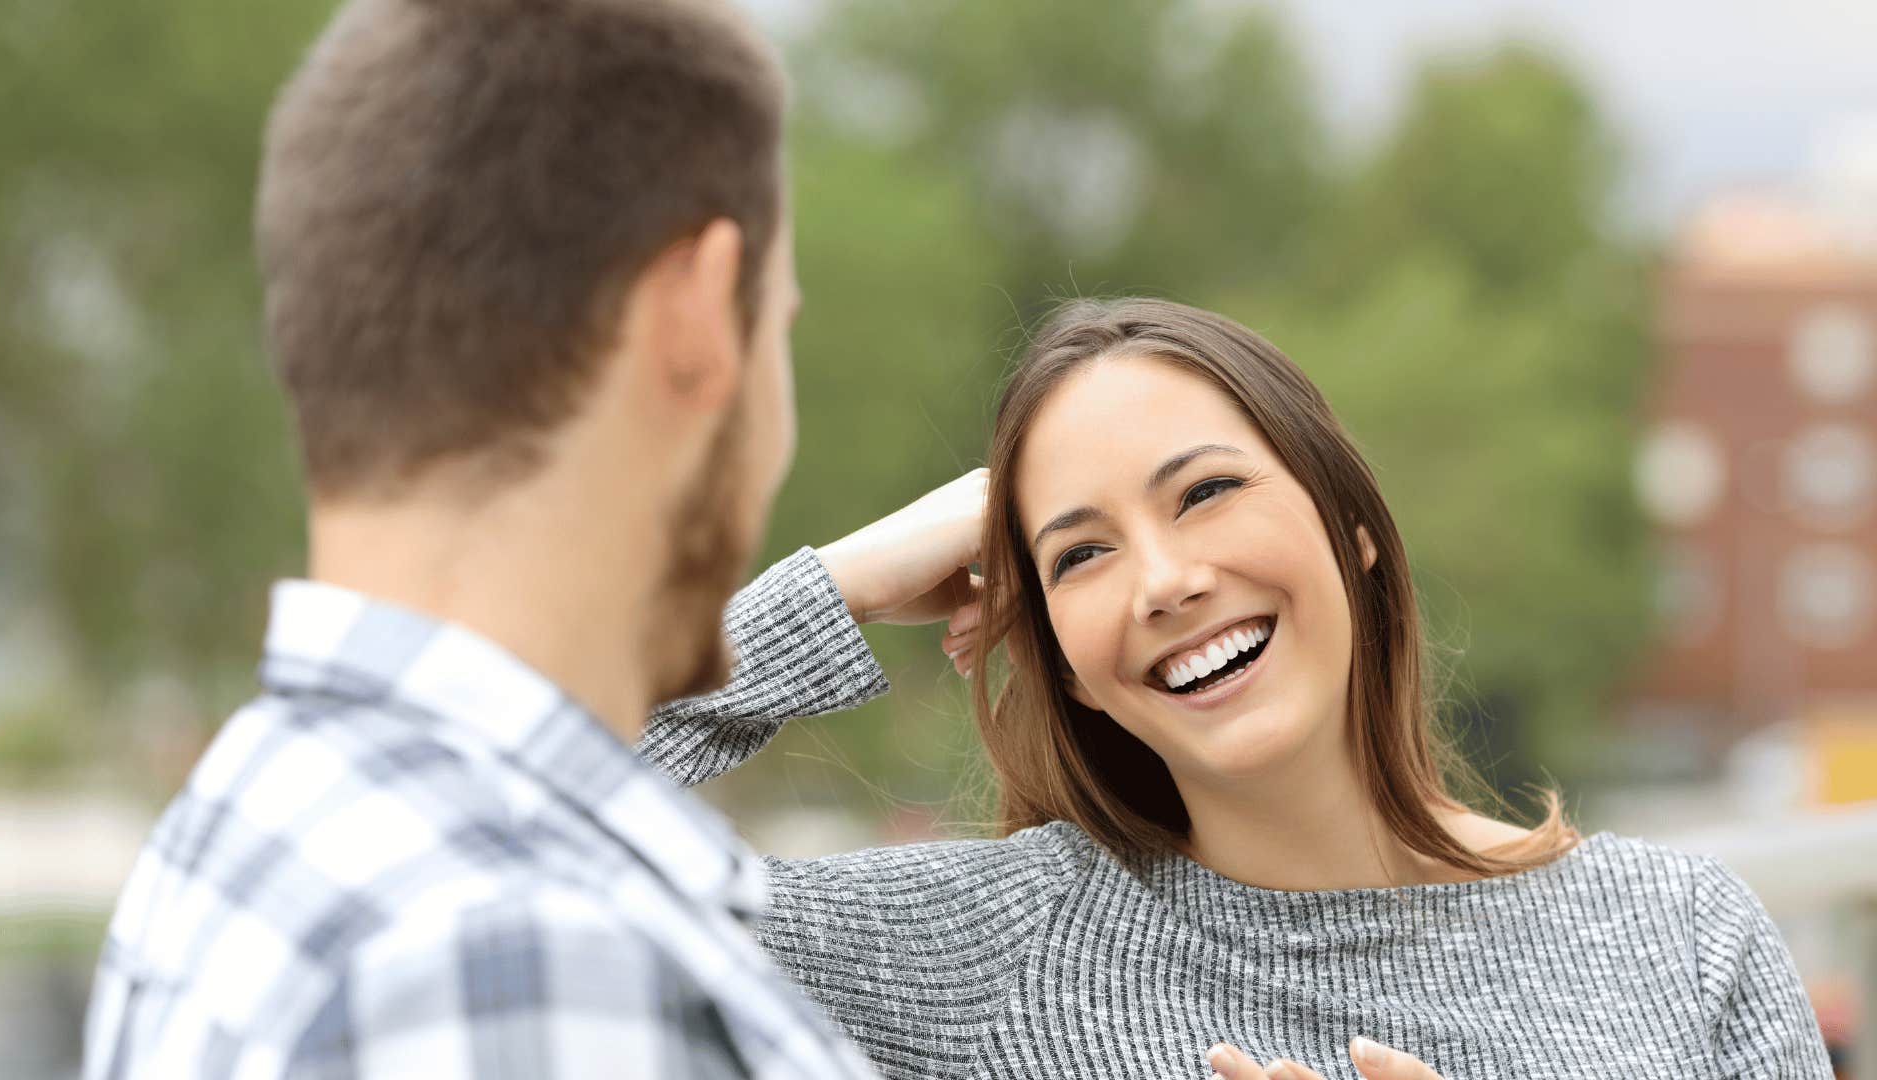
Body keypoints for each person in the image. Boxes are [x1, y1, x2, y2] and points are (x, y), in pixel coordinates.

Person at [642, 297, 1835, 1079]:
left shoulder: (1677, 941)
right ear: (1066, 664)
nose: (1163, 579)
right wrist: (840, 584)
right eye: (1082, 553)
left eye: (1205, 492)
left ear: (1352, 530)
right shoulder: (982, 956)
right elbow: (473, 826)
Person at [81, 0, 878, 1074]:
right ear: (695, 315)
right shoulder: (522, 960)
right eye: (777, 323)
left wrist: (825, 600)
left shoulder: (265, 807)